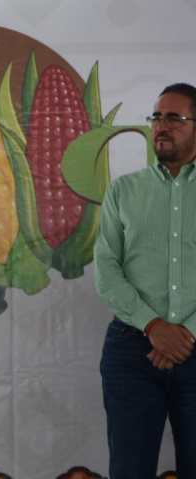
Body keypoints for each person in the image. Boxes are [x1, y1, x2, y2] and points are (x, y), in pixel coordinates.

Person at [95, 82, 196, 478]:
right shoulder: (124, 190)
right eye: (156, 117)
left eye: (174, 118)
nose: (161, 126)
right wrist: (154, 327)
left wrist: (184, 334)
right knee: (129, 470)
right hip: (132, 351)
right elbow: (106, 269)